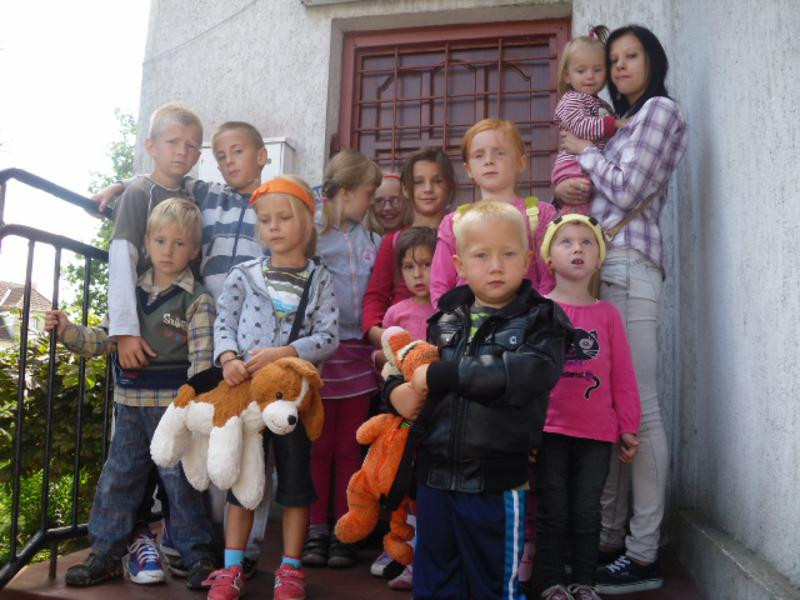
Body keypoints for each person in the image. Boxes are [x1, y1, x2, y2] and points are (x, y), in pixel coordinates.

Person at [96, 119, 274, 579]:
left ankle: (241, 548)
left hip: (256, 341)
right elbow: (167, 176)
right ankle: (191, 541)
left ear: (262, 156)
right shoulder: (207, 194)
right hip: (208, 341)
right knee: (198, 444)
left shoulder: (275, 201)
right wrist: (128, 185)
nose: (228, 162)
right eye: (220, 155)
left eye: (237, 152)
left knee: (250, 443)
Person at [385, 200, 572, 599]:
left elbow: (531, 371)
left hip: (495, 483)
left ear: (527, 260)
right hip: (435, 479)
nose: (496, 266)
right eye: (481, 256)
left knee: (493, 587)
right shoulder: (445, 318)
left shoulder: (542, 319)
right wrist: (394, 392)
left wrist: (446, 374)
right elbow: (412, 367)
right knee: (433, 584)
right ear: (459, 264)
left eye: (508, 254)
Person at [557, 24, 688, 594]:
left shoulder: (660, 111)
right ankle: (610, 540)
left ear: (652, 60)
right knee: (611, 408)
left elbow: (629, 189)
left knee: (644, 409)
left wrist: (584, 152)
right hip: (604, 265)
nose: (619, 67)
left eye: (631, 56)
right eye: (612, 60)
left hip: (631, 262)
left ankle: (644, 553)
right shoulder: (619, 122)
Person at [46, 198, 217, 589]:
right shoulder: (131, 296)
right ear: (146, 244)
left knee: (181, 484)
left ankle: (199, 557)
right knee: (118, 481)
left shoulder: (197, 299)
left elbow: (202, 362)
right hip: (130, 409)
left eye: (179, 243)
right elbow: (103, 340)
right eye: (160, 241)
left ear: (194, 250)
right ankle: (105, 555)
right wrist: (67, 330)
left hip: (174, 412)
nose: (168, 251)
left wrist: (192, 407)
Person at [203, 176, 339, 600]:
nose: (274, 227)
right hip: (247, 398)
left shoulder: (319, 279)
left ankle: (291, 569)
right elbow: (223, 322)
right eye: (266, 220)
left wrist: (287, 352)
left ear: (307, 222)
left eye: (284, 218)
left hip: (291, 401)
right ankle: (232, 567)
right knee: (244, 483)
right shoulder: (244, 275)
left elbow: (329, 336)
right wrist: (228, 358)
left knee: (295, 485)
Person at [533, 214, 641, 600]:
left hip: (596, 434)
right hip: (550, 431)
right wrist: (525, 430)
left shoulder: (608, 315)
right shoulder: (540, 311)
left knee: (586, 511)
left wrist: (628, 426)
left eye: (586, 242)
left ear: (598, 260)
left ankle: (584, 582)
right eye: (566, 242)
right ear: (549, 258)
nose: (577, 249)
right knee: (553, 511)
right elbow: (528, 376)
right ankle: (549, 582)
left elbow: (622, 375)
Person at [301, 150, 382, 569]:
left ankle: (344, 531)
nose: (372, 202)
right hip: (322, 356)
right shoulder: (312, 236)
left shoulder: (373, 241)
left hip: (359, 356)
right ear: (345, 192)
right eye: (368, 193)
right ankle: (316, 529)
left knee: (350, 449)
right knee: (318, 448)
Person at [429, 118, 557, 308]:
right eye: (479, 155)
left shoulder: (539, 215)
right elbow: (440, 285)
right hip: (469, 321)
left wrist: (539, 317)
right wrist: (450, 320)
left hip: (525, 319)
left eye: (499, 153)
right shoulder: (454, 222)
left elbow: (549, 278)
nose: (489, 161)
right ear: (468, 168)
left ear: (521, 162)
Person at [362, 147, 455, 348]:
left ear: (449, 186)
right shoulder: (394, 241)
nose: (428, 189)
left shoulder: (461, 235)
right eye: (419, 182)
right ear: (405, 189)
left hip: (451, 341)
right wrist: (377, 332)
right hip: (402, 345)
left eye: (437, 181)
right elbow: (376, 295)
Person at [551, 26, 627, 216]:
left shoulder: (603, 105)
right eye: (581, 70)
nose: (590, 76)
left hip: (589, 165)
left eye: (597, 69)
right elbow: (580, 127)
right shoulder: (571, 99)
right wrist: (615, 124)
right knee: (576, 213)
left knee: (591, 212)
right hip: (574, 166)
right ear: (567, 76)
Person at [382, 226, 437, 341]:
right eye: (409, 267)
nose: (417, 274)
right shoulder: (395, 314)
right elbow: (387, 348)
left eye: (427, 264)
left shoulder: (450, 312)